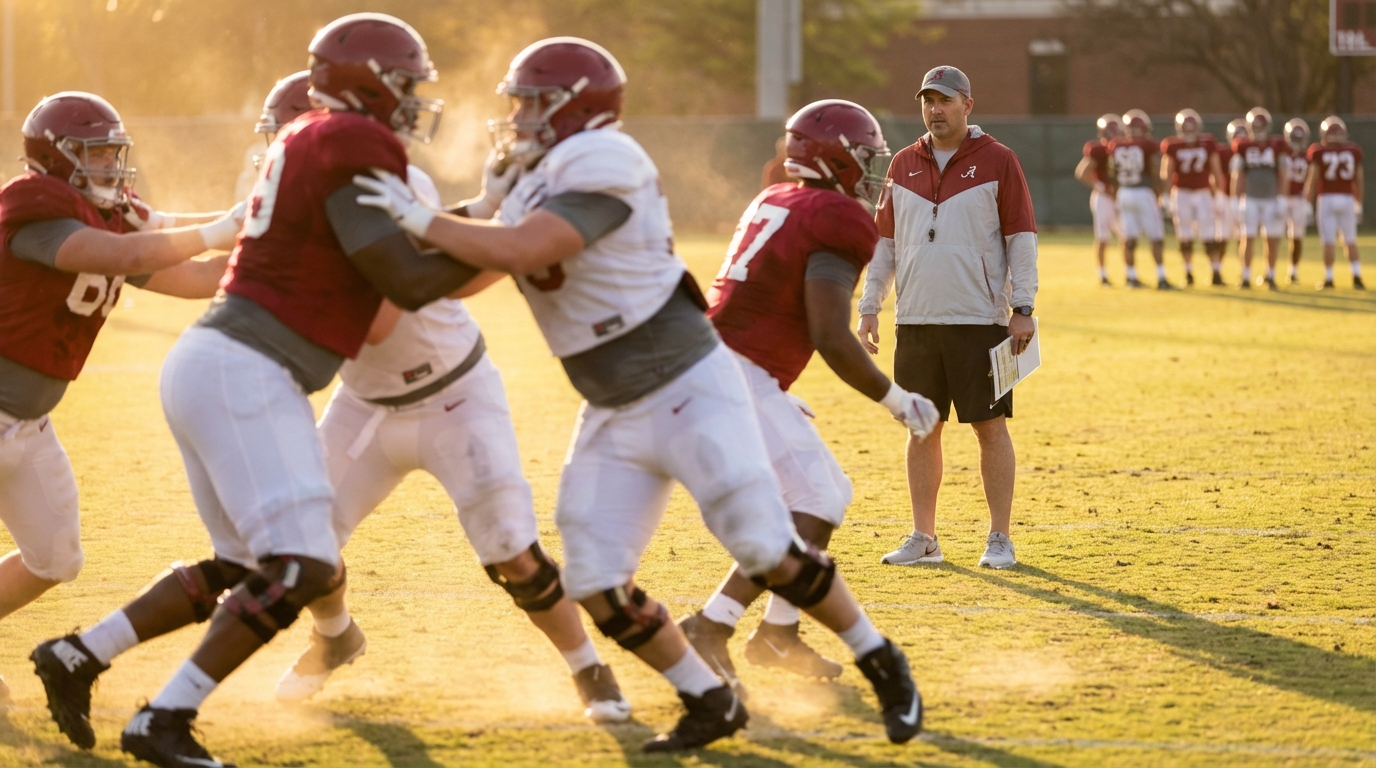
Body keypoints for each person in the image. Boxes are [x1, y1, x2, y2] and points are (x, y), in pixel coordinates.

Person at [354, 36, 927, 752]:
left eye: (532, 101)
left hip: (688, 381)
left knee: (765, 540)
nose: (518, 115)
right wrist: (465, 214)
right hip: (612, 401)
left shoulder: (605, 159)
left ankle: (881, 660)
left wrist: (426, 219)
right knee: (595, 578)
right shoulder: (536, 174)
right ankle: (706, 696)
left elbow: (525, 249)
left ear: (575, 107)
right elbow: (449, 277)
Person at [30, 14, 479, 767]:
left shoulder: (297, 152)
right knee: (301, 565)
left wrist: (480, 223)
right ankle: (165, 719)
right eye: (402, 82)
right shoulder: (349, 142)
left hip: (214, 363)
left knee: (244, 566)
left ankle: (79, 653)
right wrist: (521, 238)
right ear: (362, 85)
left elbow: (393, 248)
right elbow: (405, 278)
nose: (409, 99)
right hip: (248, 370)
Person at [244, 71, 633, 722]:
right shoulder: (273, 198)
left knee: (511, 548)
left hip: (454, 392)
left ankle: (589, 668)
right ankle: (336, 637)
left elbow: (383, 316)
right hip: (364, 401)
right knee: (300, 540)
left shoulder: (389, 186)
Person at [677, 100, 939, 690]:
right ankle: (713, 626)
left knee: (820, 494)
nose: (873, 171)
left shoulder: (773, 198)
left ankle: (777, 632)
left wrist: (764, 388)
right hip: (732, 374)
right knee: (818, 497)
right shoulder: (834, 216)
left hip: (718, 365)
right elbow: (828, 333)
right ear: (837, 157)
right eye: (866, 158)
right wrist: (897, 399)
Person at [0, 91, 238, 710]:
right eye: (94, 154)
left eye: (111, 152)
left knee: (54, 558)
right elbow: (127, 254)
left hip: (26, 424)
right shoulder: (40, 214)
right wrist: (233, 223)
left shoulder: (102, 211)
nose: (109, 166)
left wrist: (275, 235)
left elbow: (192, 276)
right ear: (55, 159)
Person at [855, 65, 1037, 570]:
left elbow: (1021, 237)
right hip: (914, 321)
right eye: (927, 101)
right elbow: (883, 245)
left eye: (945, 100)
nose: (935, 110)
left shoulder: (1000, 160)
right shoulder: (899, 165)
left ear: (967, 105)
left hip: (980, 319)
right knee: (922, 430)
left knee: (990, 427)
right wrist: (870, 305)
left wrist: (1023, 308)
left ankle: (999, 538)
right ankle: (924, 538)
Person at [1160, 109, 1224, 287]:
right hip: (1182, 193)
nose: (1189, 132)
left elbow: (1216, 171)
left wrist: (1218, 194)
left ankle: (1216, 271)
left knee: (1209, 234)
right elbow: (1167, 172)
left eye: (1191, 128)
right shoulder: (1173, 145)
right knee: (1184, 235)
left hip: (1203, 193)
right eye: (1185, 129)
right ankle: (1188, 272)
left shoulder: (1208, 143)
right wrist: (1165, 195)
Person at [1108, 109, 1171, 289]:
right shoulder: (1148, 145)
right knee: (1156, 237)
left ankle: (1131, 277)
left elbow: (1113, 174)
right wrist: (1161, 193)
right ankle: (1161, 277)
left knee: (1129, 239)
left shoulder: (1116, 145)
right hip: (1143, 192)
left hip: (1124, 193)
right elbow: (1154, 169)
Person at [1232, 107, 1289, 290]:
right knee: (1247, 237)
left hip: (1271, 199)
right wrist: (1236, 199)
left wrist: (1282, 198)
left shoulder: (1277, 145)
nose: (1258, 130)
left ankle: (1270, 275)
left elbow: (1283, 174)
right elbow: (1238, 175)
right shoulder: (1243, 146)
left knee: (1271, 239)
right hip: (1251, 199)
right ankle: (1246, 276)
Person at [1304, 116, 1365, 290]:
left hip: (1327, 199)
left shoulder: (1318, 151)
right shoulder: (1353, 151)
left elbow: (1312, 180)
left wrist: (1308, 204)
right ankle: (1357, 276)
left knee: (1328, 241)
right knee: (1350, 240)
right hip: (1347, 198)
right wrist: (1358, 202)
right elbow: (1359, 179)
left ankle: (1329, 278)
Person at [1074, 113, 1122, 286]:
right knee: (1103, 237)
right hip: (1104, 197)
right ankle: (1102, 274)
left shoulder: (1124, 148)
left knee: (1126, 237)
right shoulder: (1098, 150)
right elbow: (1082, 172)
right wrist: (1101, 186)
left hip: (1120, 196)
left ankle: (1129, 274)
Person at [1213, 120, 1246, 285]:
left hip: (1245, 199)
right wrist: (1217, 196)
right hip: (1225, 198)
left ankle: (1244, 273)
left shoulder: (1250, 151)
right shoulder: (1222, 152)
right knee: (1222, 237)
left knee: (1244, 237)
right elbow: (1214, 174)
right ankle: (1216, 271)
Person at [1281, 118, 1312, 284]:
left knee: (1297, 237)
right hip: (1282, 198)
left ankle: (1292, 272)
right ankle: (1269, 272)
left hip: (1299, 198)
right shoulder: (1280, 152)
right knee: (1272, 235)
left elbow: (1311, 179)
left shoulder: (1309, 155)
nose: (1298, 141)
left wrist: (1308, 201)